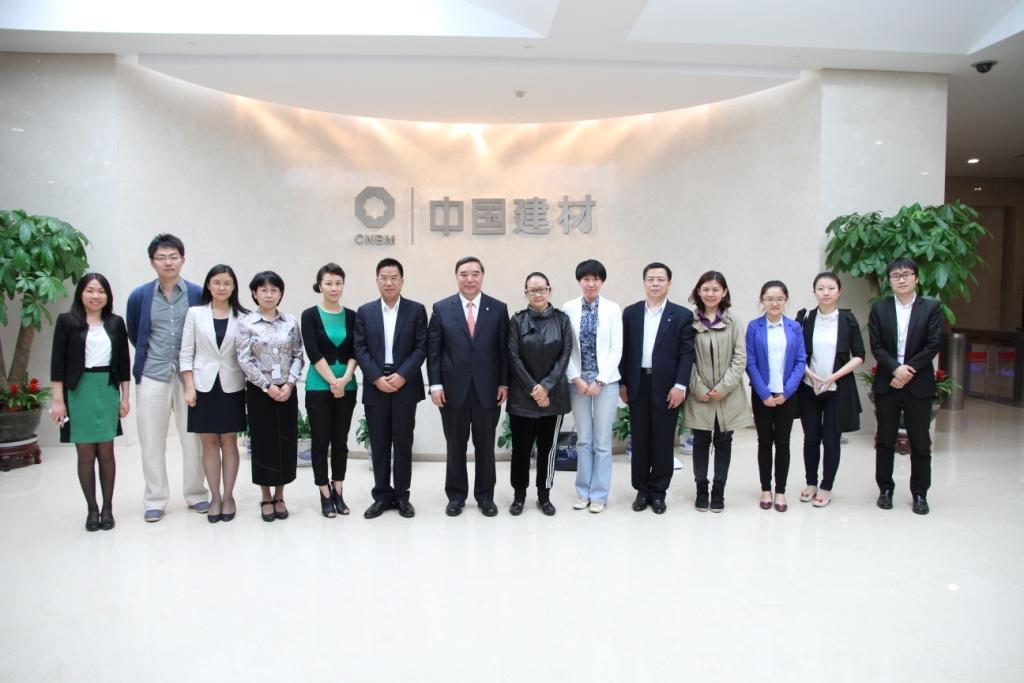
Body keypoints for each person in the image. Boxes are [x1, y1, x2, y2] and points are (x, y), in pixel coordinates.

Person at [126, 234, 207, 522]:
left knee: (193, 439)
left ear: (183, 259)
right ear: (152, 262)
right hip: (153, 373)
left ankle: (196, 494)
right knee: (151, 440)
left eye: (173, 257)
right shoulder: (139, 296)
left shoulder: (198, 293)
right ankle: (155, 499)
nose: (168, 262)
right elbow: (135, 331)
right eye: (161, 257)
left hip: (190, 377)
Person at [427, 256, 509, 517]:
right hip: (452, 391)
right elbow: (434, 350)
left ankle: (485, 496)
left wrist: (504, 382)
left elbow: (503, 350)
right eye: (464, 274)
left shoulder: (498, 308)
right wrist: (435, 385)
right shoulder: (441, 308)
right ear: (456, 277)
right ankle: (456, 496)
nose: (469, 279)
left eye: (475, 274)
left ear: (482, 276)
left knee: (485, 446)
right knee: (455, 446)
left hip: (488, 390)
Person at [50, 273, 131, 531]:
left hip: (106, 390)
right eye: (90, 290)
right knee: (85, 453)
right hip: (78, 391)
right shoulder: (67, 322)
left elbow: (123, 363)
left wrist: (125, 397)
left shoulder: (116, 323)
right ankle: (92, 509)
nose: (96, 296)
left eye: (101, 291)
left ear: (108, 296)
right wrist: (58, 400)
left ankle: (107, 508)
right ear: (80, 294)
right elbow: (57, 363)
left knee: (106, 452)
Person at [353, 258, 428, 519]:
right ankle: (382, 496)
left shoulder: (416, 310)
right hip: (376, 385)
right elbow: (359, 347)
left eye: (394, 277)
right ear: (377, 281)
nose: (389, 282)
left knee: (403, 443)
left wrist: (403, 375)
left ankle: (402, 496)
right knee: (379, 444)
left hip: (405, 386)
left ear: (402, 281)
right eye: (384, 278)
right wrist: (376, 377)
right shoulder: (365, 311)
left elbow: (421, 347)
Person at [619, 262, 695, 514]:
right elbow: (624, 350)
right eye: (650, 279)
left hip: (667, 387)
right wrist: (623, 382)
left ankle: (659, 492)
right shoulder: (630, 313)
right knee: (639, 440)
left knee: (663, 441)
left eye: (660, 279)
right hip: (637, 383)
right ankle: (642, 491)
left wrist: (680, 385)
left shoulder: (681, 315)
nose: (655, 283)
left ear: (669, 284)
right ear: (644, 283)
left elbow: (687, 353)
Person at [868, 257, 941, 515]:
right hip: (888, 382)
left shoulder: (930, 308)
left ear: (916, 278)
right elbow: (876, 346)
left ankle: (920, 493)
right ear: (889, 281)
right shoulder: (880, 308)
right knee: (885, 440)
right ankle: (885, 490)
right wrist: (895, 369)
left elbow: (933, 345)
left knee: (920, 441)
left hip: (918, 383)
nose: (901, 279)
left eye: (906, 274)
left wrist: (906, 370)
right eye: (895, 275)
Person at [180, 264, 249, 524]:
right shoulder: (195, 314)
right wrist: (189, 386)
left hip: (232, 385)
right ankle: (215, 497)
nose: (222, 287)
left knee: (229, 443)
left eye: (227, 283)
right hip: (203, 387)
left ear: (234, 287)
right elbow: (186, 353)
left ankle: (228, 496)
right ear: (208, 285)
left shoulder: (244, 317)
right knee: (208, 443)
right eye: (217, 282)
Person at [236, 271, 305, 522]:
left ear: (280, 294)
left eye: (274, 290)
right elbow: (244, 359)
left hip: (287, 391)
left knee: (285, 442)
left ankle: (280, 495)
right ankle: (265, 496)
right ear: (254, 293)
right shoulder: (246, 323)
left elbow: (299, 355)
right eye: (263, 290)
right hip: (259, 392)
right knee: (264, 443)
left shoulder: (290, 322)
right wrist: (267, 386)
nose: (269, 294)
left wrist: (289, 383)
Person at [506, 272, 573, 516]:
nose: (537, 294)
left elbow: (565, 355)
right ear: (526, 293)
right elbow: (513, 357)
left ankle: (544, 496)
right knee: (521, 450)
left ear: (549, 291)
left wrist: (546, 386)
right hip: (522, 398)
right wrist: (534, 389)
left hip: (553, 398)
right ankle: (519, 496)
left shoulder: (562, 320)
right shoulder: (517, 321)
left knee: (548, 449)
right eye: (532, 290)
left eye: (541, 289)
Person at [797, 272, 865, 508]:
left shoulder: (847, 320)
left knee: (831, 439)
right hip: (810, 387)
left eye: (831, 288)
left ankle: (826, 486)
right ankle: (811, 483)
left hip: (838, 388)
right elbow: (796, 353)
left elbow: (859, 356)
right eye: (821, 288)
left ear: (839, 291)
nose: (825, 292)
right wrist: (810, 375)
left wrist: (834, 376)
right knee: (810, 438)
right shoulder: (806, 318)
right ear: (814, 292)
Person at [683, 271, 749, 513]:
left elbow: (740, 357)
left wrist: (722, 388)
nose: (710, 294)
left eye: (715, 289)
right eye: (706, 289)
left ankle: (718, 490)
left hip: (727, 394)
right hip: (699, 394)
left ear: (724, 292)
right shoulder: (689, 321)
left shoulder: (733, 321)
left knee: (724, 441)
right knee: (700, 441)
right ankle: (701, 489)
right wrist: (698, 387)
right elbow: (685, 358)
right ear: (698, 292)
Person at [562, 259, 622, 514]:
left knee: (602, 442)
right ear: (579, 281)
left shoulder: (612, 308)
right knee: (584, 440)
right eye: (586, 279)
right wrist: (576, 378)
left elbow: (616, 349)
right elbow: (565, 349)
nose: (591, 283)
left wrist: (600, 380)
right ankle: (583, 492)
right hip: (577, 382)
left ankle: (599, 494)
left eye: (595, 279)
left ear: (602, 281)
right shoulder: (568, 308)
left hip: (605, 383)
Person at [300, 263, 358, 519]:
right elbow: (313, 352)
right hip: (318, 387)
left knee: (341, 441)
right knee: (321, 441)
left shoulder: (353, 316)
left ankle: (338, 490)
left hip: (348, 386)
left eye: (338, 283)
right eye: (329, 283)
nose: (334, 288)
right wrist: (334, 382)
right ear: (320, 286)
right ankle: (324, 493)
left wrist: (345, 379)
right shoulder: (309, 315)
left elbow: (356, 350)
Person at [745, 280, 806, 512]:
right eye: (769, 299)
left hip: (787, 395)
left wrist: (787, 391)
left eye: (779, 299)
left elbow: (800, 361)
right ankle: (765, 489)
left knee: (783, 443)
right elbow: (750, 361)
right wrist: (763, 392)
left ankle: (780, 491)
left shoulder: (794, 327)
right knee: (764, 442)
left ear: (786, 300)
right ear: (762, 301)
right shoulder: (754, 327)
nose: (774, 303)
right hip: (762, 394)